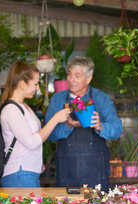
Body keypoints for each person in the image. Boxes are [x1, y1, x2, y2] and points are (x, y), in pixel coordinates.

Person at [45, 56, 122, 192]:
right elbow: (48, 134)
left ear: (88, 79)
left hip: (95, 172)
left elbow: (117, 129)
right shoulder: (58, 99)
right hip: (66, 169)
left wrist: (100, 126)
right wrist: (67, 125)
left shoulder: (100, 98)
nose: (71, 80)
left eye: (77, 76)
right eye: (69, 74)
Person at [0, 61, 70, 187]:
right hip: (19, 173)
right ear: (22, 84)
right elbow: (31, 142)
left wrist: (36, 161)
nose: (38, 88)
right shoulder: (11, 110)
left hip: (28, 172)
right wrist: (55, 119)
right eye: (35, 84)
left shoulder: (24, 106)